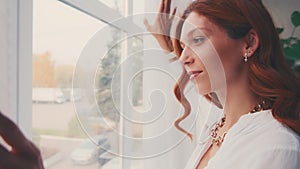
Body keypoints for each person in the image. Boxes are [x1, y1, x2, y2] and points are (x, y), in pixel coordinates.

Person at [144, 0, 300, 169]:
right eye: (183, 47)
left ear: (249, 43)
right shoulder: (217, 128)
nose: (183, 58)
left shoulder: (276, 146)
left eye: (197, 40)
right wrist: (167, 46)